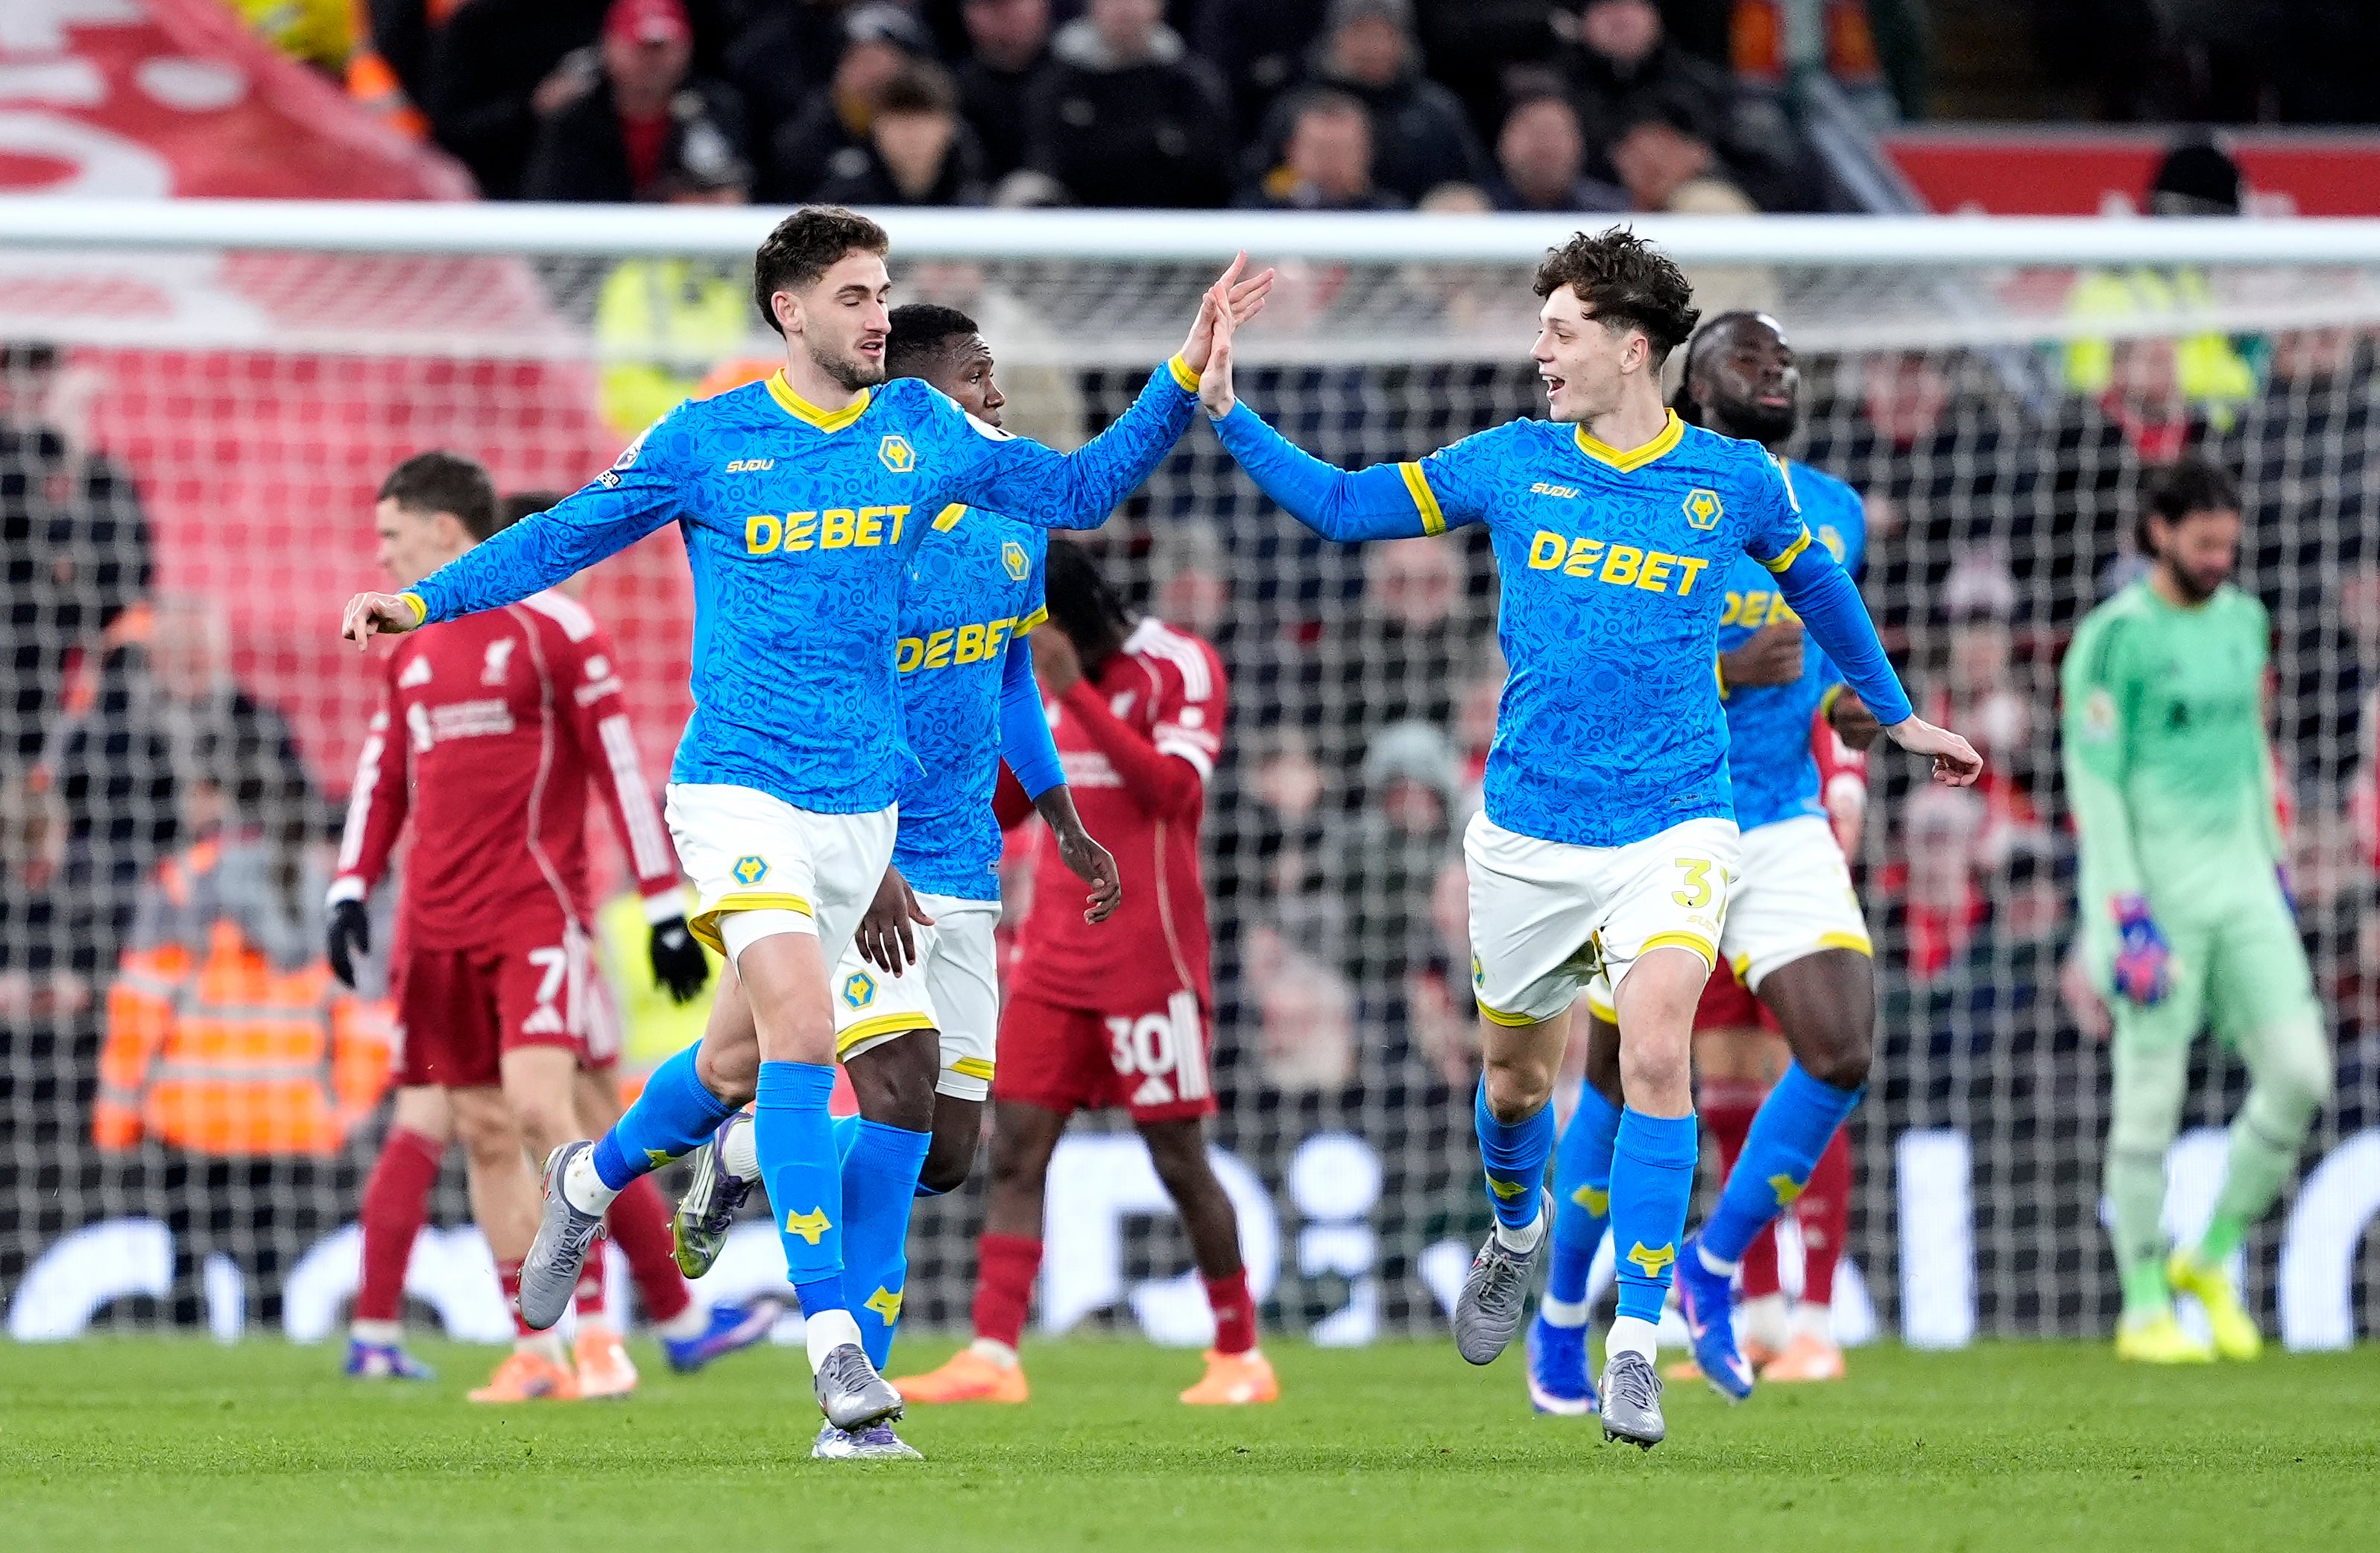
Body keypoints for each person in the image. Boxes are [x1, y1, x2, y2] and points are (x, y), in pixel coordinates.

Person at [338, 206, 1270, 1435]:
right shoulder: (709, 437)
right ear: (788, 309)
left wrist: (1184, 372)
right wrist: (424, 598)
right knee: (801, 1029)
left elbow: (1080, 486)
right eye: (853, 294)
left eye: (883, 292)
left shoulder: (920, 431)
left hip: (861, 808)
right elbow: (561, 534)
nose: (877, 315)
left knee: (734, 1064)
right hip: (732, 787)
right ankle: (838, 1358)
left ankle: (591, 1172)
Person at [1194, 228, 1977, 1447]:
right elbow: (1348, 507)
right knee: (1514, 1081)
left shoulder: (1733, 481)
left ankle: (1632, 1343)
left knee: (1656, 1050)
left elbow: (1821, 587)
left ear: (1630, 350)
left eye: (1558, 330)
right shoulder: (1510, 462)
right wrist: (1228, 412)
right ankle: (1515, 1228)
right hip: (1527, 833)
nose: (1536, 349)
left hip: (1677, 824)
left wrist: (1892, 709)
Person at [666, 303, 1121, 1460]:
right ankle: (852, 1392)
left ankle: (739, 1154)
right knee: (895, 1089)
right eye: (979, 380)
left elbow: (1013, 677)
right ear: (916, 398)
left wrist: (1060, 812)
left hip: (966, 862)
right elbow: (842, 700)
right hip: (857, 845)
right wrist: (863, 852)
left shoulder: (1013, 532)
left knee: (947, 1153)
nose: (998, 401)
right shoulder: (868, 537)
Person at [328, 452, 748, 1402]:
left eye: (394, 535)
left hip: (533, 915)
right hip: (433, 926)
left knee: (542, 1108)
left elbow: (615, 765)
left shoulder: (556, 628)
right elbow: (381, 776)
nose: (383, 555)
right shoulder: (414, 647)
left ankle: (602, 1333)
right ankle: (536, 1344)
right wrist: (349, 888)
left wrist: (660, 906)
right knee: (479, 1130)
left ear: (445, 531)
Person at [1527, 310, 1885, 1417]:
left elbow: (1821, 667)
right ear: (1692, 380)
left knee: (1839, 1047)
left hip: (1776, 814)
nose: (1774, 373)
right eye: (1750, 357)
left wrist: (1849, 714)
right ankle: (1558, 1323)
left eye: (1785, 359)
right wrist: (1722, 672)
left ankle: (1712, 1262)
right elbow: (1584, 668)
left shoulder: (1833, 513)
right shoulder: (1630, 489)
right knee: (1613, 1083)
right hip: (1652, 810)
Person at [896, 540, 1278, 1409]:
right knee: (1018, 1150)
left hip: (1151, 957)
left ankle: (1238, 1351)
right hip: (1051, 960)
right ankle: (993, 1353)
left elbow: (1174, 794)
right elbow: (1000, 801)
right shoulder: (1023, 676)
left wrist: (1072, 692)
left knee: (1177, 1155)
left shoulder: (1179, 665)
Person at [2062, 455, 2332, 1364]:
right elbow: (2093, 787)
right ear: (2159, 533)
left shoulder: (2247, 621)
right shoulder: (2114, 637)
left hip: (2246, 885)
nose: (2221, 557)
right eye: (2205, 542)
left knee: (2302, 1074)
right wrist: (2122, 912)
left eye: (2230, 542)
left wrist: (2277, 859)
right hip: (2154, 898)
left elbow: (2250, 748)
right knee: (2150, 1102)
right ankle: (2142, 1299)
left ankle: (2207, 1256)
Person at [1251, 0, 1486, 208]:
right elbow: (1257, 186)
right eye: (1360, 32)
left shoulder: (1437, 113)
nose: (1374, 47)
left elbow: (1467, 187)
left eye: (1386, 34)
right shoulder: (1292, 110)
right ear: (1337, 37)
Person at [520, 0, 749, 204]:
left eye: (662, 48)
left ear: (686, 47)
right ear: (609, 46)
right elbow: (549, 199)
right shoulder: (574, 118)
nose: (651, 61)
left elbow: (729, 196)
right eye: (639, 47)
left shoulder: (714, 108)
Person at [1023, 0, 1234, 210]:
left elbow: (1213, 171)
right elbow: (1045, 160)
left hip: (1175, 221)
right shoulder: (1057, 85)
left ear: (1158, 9)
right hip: (1077, 223)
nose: (1125, 9)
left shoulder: (1191, 86)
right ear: (1093, 8)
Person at [812, 62, 991, 207]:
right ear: (876, 126)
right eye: (899, 121)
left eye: (923, 121)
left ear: (949, 126)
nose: (911, 136)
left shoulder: (973, 201)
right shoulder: (843, 203)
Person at [1240, 89, 1399, 211]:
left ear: (1367, 153)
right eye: (1319, 150)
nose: (1330, 162)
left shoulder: (1390, 219)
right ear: (1291, 150)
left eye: (1342, 151)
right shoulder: (1255, 214)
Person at [955, 0, 1056, 183]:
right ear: (968, 15)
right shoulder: (955, 90)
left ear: (1043, 7)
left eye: (1014, 5)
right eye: (992, 7)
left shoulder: (1076, 81)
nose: (1005, 17)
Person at [1489, 92, 1627, 215]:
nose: (1545, 143)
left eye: (1556, 132)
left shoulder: (1611, 217)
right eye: (1534, 131)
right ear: (1503, 141)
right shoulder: (1478, 212)